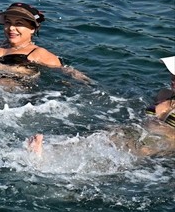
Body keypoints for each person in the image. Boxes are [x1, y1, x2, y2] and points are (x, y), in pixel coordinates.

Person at [27, 56, 175, 158]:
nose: (172, 78)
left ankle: (49, 163)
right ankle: (47, 152)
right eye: (172, 75)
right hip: (138, 131)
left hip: (158, 145)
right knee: (104, 135)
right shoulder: (164, 93)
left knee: (120, 155)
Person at [0, 2, 87, 84]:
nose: (11, 28)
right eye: (8, 22)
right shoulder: (0, 46)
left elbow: (65, 70)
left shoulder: (38, 53)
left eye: (19, 23)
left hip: (11, 95)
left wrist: (87, 82)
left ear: (32, 29)